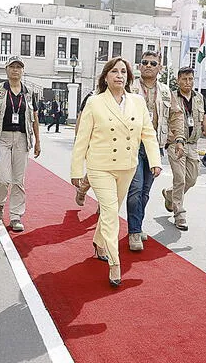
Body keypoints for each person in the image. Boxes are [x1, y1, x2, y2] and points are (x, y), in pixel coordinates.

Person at [71, 56, 161, 287]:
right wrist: (76, 169)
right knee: (111, 212)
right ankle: (114, 263)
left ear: (129, 77)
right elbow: (82, 138)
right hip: (100, 166)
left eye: (123, 71)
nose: (119, 75)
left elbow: (148, 133)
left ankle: (99, 241)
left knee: (113, 209)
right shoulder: (95, 102)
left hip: (127, 166)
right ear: (106, 76)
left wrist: (154, 160)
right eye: (114, 71)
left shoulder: (137, 102)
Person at [127, 50, 184, 249]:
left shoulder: (166, 91)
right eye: (145, 62)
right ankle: (133, 232)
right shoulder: (129, 87)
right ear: (139, 66)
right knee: (135, 188)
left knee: (144, 191)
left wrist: (178, 139)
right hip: (132, 145)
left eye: (153, 63)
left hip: (155, 147)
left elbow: (176, 116)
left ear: (160, 68)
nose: (148, 66)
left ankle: (138, 224)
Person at [0, 55, 41, 232]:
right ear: (6, 69)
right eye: (12, 67)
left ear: (22, 70)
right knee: (3, 179)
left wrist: (38, 141)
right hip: (1, 137)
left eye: (19, 67)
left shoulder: (28, 93)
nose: (15, 70)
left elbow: (34, 117)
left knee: (19, 180)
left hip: (22, 138)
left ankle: (16, 216)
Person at [161, 67, 206, 231]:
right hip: (175, 144)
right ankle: (180, 214)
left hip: (192, 145)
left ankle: (169, 194)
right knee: (180, 178)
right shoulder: (170, 97)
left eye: (191, 79)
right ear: (178, 80)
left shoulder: (199, 98)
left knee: (191, 179)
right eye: (184, 79)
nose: (188, 82)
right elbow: (164, 119)